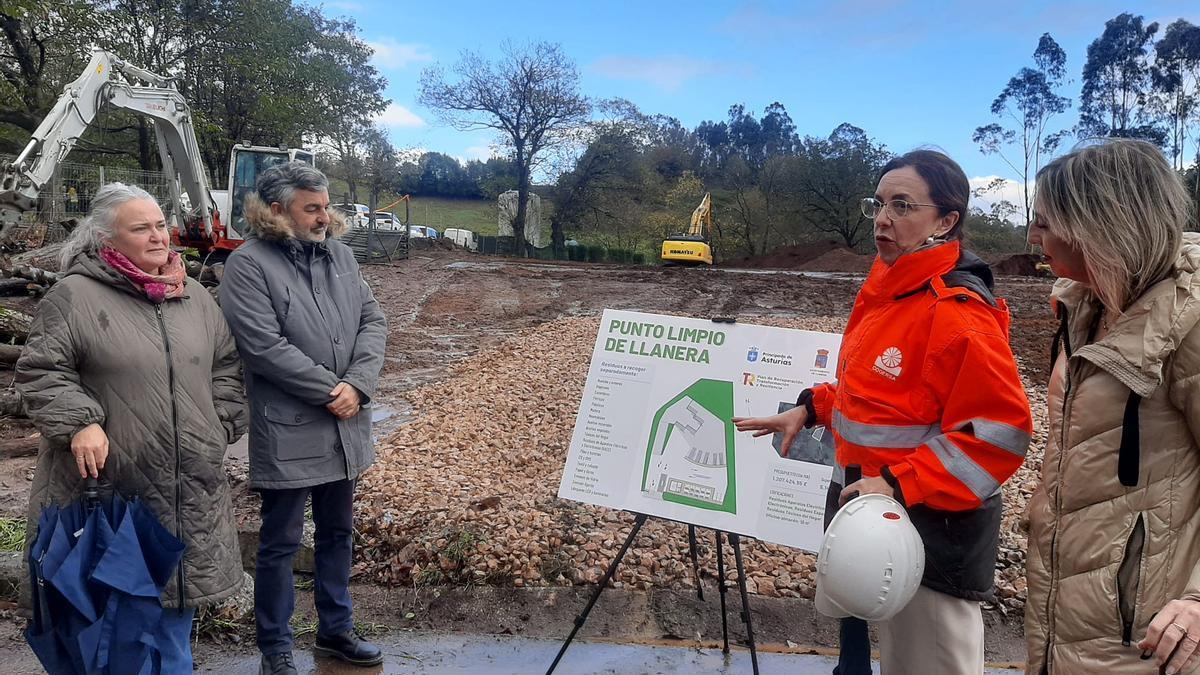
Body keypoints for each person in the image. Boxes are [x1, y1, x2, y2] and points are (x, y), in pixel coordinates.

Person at [735, 149, 1033, 674]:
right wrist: (810, 409)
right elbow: (878, 397)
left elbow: (999, 433)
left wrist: (897, 481)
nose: (882, 218)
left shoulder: (956, 313)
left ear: (945, 221)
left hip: (931, 538)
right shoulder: (889, 293)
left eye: (902, 205)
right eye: (877, 203)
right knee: (853, 655)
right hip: (863, 517)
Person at [17, 182, 247, 673]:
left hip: (190, 493)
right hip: (113, 494)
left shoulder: (194, 297)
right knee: (115, 634)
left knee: (174, 627)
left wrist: (219, 424)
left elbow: (227, 367)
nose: (158, 236)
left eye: (160, 225)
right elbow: (40, 372)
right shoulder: (74, 296)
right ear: (106, 239)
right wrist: (80, 422)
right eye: (141, 228)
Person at [1024, 138, 1200, 675]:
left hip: (1147, 631)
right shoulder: (1083, 307)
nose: (1032, 236)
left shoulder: (1189, 325)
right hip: (1067, 607)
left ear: (1101, 225)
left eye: (1045, 222)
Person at [219, 161, 387, 675]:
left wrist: (358, 384)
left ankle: (336, 631)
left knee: (338, 533)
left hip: (344, 423)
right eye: (311, 208)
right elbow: (263, 346)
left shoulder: (339, 255)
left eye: (326, 207)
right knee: (281, 542)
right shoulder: (248, 265)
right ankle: (275, 648)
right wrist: (332, 391)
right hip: (290, 428)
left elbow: (372, 320)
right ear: (276, 210)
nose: (323, 217)